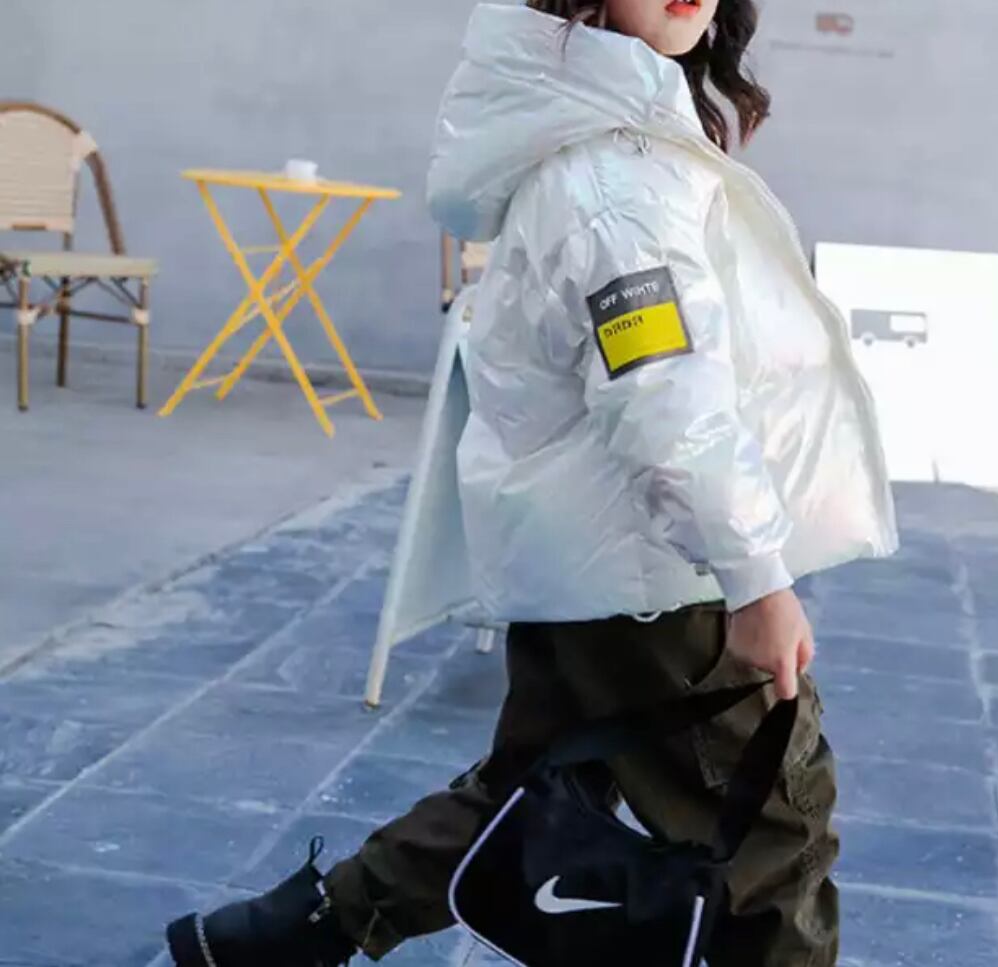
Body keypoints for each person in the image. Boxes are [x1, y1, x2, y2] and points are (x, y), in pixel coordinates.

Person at [164, 1, 896, 965]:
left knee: (527, 797)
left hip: (590, 565)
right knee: (774, 838)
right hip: (656, 577)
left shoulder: (598, 141)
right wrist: (756, 577)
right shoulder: (615, 185)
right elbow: (664, 398)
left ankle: (285, 937)